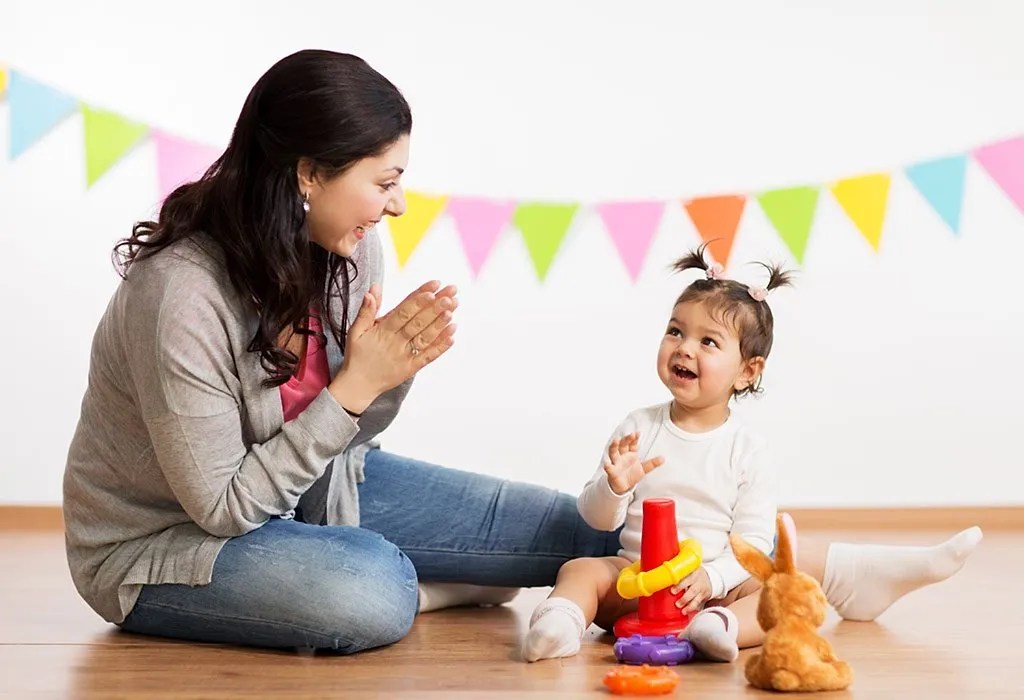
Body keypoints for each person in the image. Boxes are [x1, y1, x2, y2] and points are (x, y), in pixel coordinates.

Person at [64, 49, 981, 656]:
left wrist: (382, 381)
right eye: (384, 181)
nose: (396, 205)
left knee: (601, 531)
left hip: (319, 489)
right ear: (308, 174)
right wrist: (356, 385)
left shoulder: (345, 250)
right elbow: (222, 506)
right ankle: (429, 578)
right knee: (372, 592)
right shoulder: (179, 297)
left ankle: (830, 571)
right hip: (168, 546)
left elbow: (348, 435)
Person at [521, 246, 983, 662]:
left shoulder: (746, 449)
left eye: (708, 341)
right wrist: (613, 488)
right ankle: (559, 625)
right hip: (634, 582)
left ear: (747, 371)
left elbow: (754, 542)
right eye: (676, 331)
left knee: (779, 591)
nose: (684, 348)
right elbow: (598, 520)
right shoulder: (639, 427)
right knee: (580, 569)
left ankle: (719, 628)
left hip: (709, 589)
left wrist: (713, 581)